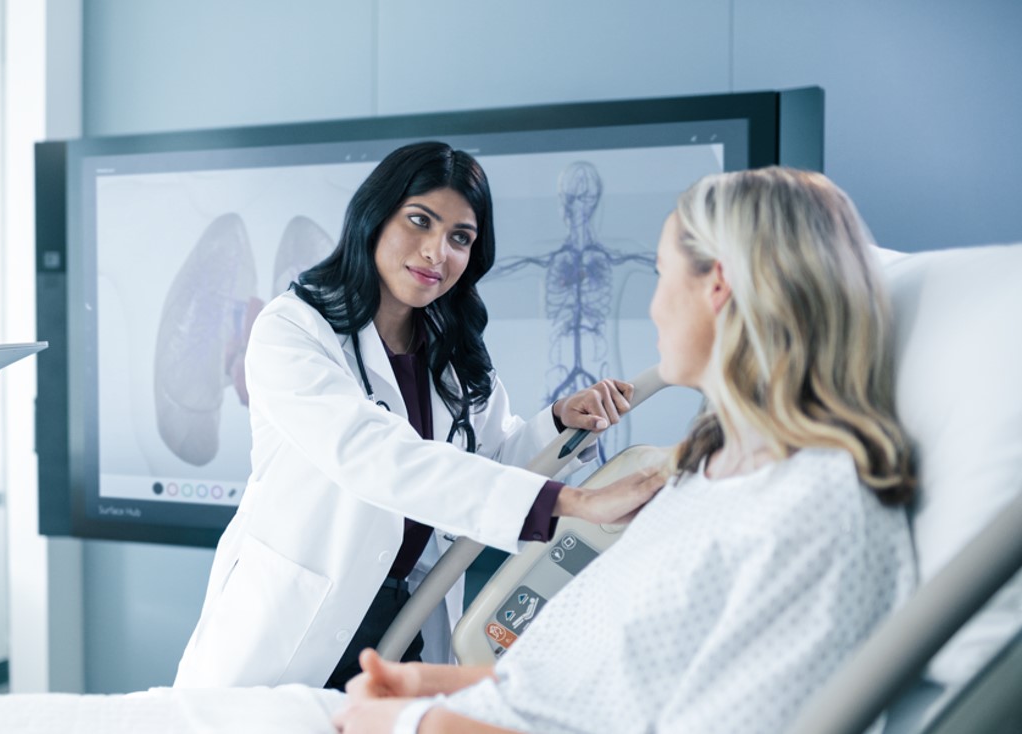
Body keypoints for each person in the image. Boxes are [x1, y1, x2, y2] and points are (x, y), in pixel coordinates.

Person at [333, 167, 918, 733]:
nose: (653, 307)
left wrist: (422, 724)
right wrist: (430, 688)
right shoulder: (706, 474)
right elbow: (597, 686)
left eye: (662, 276)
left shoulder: (814, 516)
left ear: (718, 286)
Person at [174, 141, 667, 691]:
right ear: (374, 217)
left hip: (406, 623)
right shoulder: (292, 329)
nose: (437, 252)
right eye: (419, 221)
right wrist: (572, 504)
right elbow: (372, 455)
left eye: (460, 238)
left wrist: (556, 423)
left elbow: (490, 463)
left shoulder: (451, 351)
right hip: (294, 630)